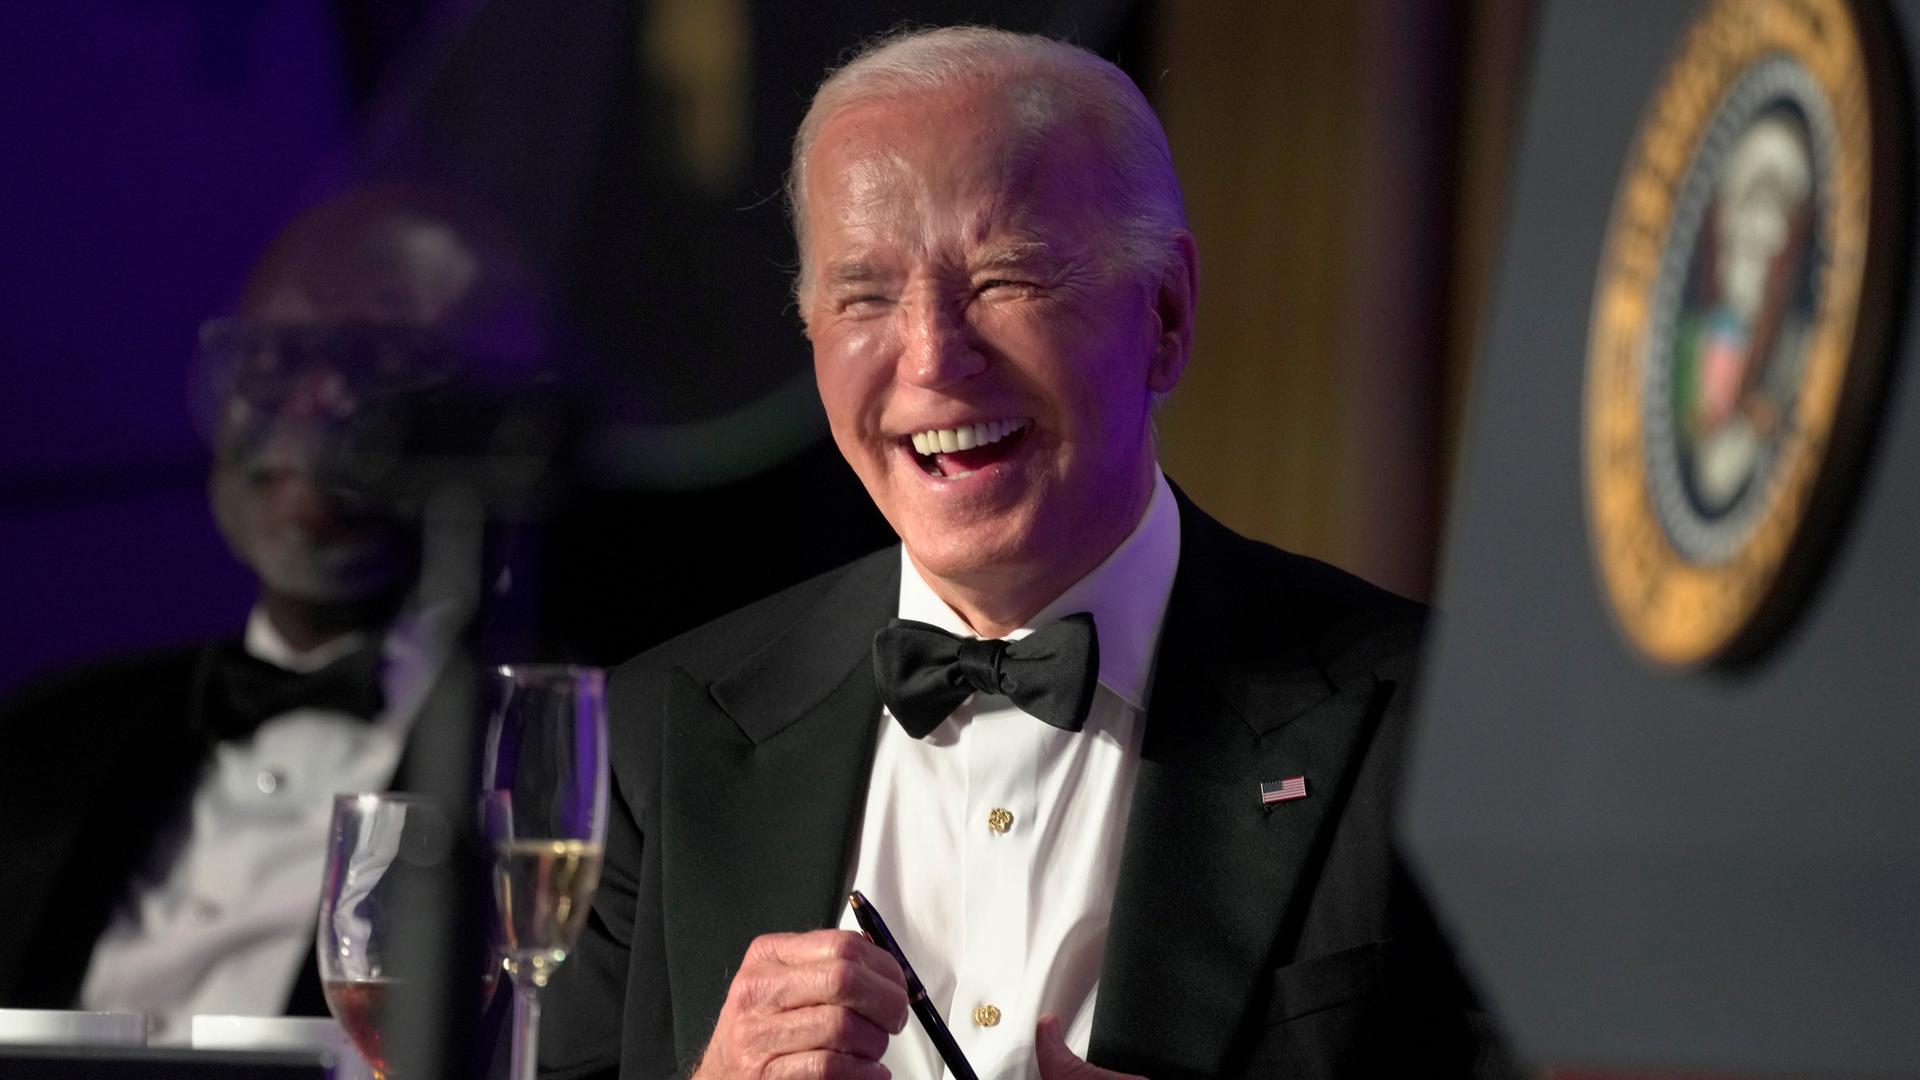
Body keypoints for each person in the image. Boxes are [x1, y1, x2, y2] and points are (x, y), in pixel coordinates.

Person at [540, 26, 1498, 1080]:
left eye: (1007, 279)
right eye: (865, 296)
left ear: (1167, 315)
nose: (934, 360)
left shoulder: (1432, 720)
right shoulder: (653, 738)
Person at [0, 185, 547, 1042]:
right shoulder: (42, 739)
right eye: (274, 360)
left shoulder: (569, 768)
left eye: (387, 365)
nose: (316, 406)